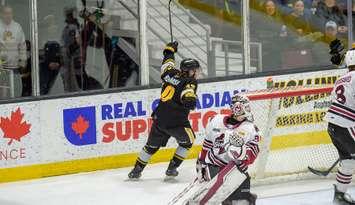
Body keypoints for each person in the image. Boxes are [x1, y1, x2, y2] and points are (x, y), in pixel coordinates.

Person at [128, 41, 200, 180]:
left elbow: (167, 63)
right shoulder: (190, 81)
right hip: (177, 122)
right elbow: (188, 92)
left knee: (150, 146)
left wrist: (170, 50)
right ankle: (172, 168)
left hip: (159, 119)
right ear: (190, 71)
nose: (197, 73)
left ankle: (136, 170)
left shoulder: (169, 73)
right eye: (195, 70)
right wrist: (190, 99)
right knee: (188, 141)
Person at [190, 94, 260, 205]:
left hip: (235, 171)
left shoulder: (250, 128)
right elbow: (206, 146)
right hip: (213, 168)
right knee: (208, 200)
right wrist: (201, 163)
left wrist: (243, 157)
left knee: (242, 202)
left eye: (248, 107)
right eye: (245, 107)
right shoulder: (215, 121)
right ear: (237, 108)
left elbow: (254, 152)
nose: (248, 110)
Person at [326, 39, 355, 205]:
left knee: (348, 161)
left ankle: (340, 196)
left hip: (332, 127)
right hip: (347, 124)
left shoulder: (340, 79)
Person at [0, 6, 26, 98]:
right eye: (6, 13)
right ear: (2, 14)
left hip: (15, 66)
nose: (8, 15)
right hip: (1, 68)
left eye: (10, 13)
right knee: (3, 93)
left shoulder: (17, 27)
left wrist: (23, 60)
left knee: (16, 90)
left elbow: (22, 44)